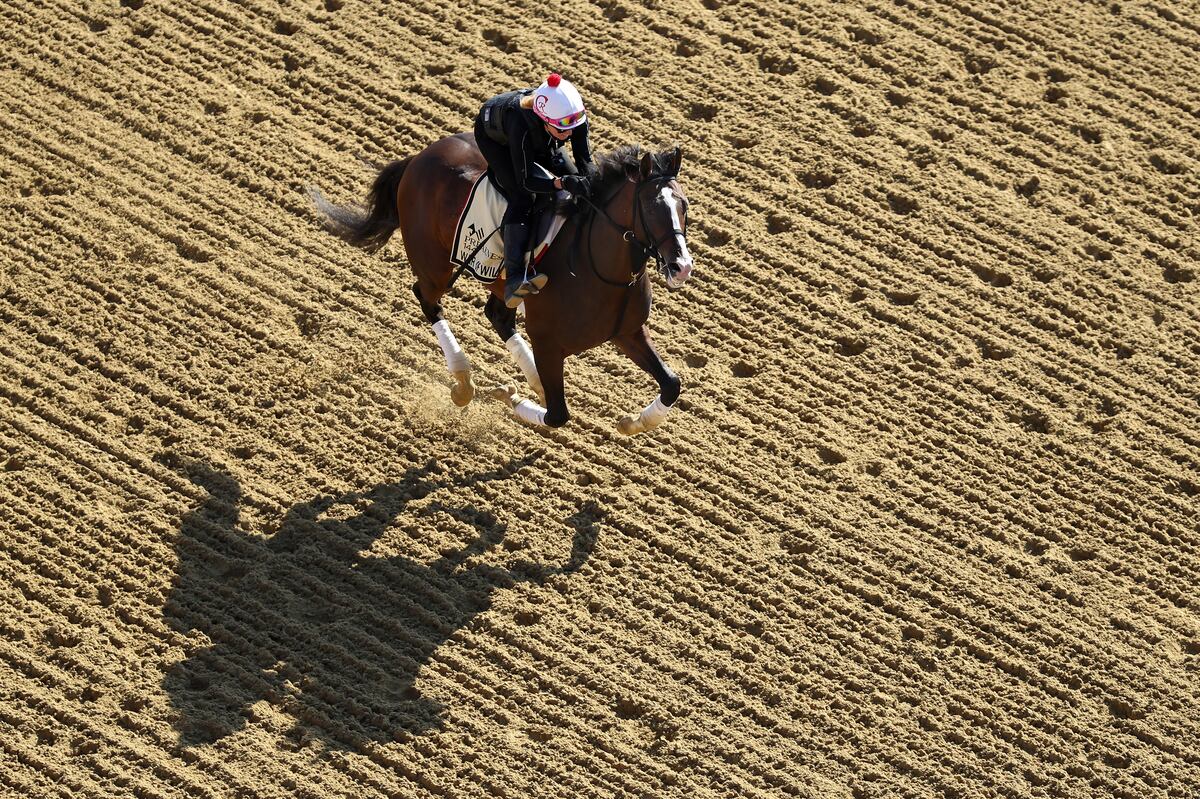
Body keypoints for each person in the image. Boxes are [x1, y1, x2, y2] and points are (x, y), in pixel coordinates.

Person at [474, 73, 595, 308]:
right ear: (545, 120)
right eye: (562, 131)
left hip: (540, 137)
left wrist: (592, 185)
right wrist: (559, 183)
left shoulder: (570, 120)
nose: (569, 134)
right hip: (498, 141)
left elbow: (585, 162)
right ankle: (514, 276)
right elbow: (526, 180)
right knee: (522, 198)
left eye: (573, 128)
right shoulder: (520, 124)